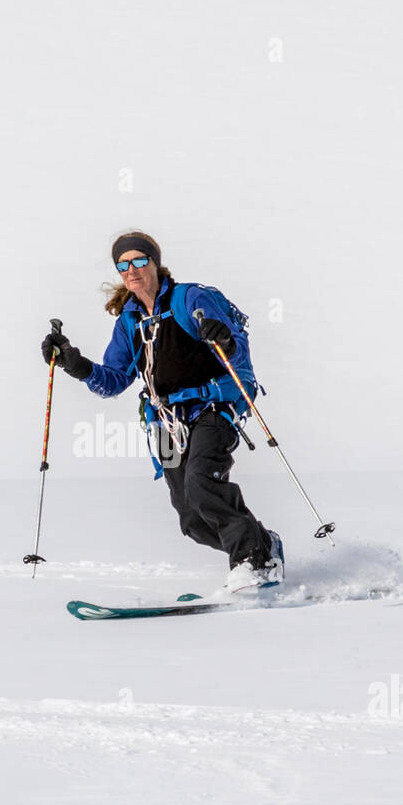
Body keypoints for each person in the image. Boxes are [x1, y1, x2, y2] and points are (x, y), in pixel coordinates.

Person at [41, 232, 283, 592]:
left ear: (155, 263)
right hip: (164, 421)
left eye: (139, 260)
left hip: (213, 406)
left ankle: (254, 563)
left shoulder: (190, 298)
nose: (131, 270)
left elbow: (235, 351)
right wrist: (74, 364)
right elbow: (114, 380)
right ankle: (262, 544)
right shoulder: (129, 320)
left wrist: (223, 338)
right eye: (123, 265)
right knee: (192, 519)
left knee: (202, 483)